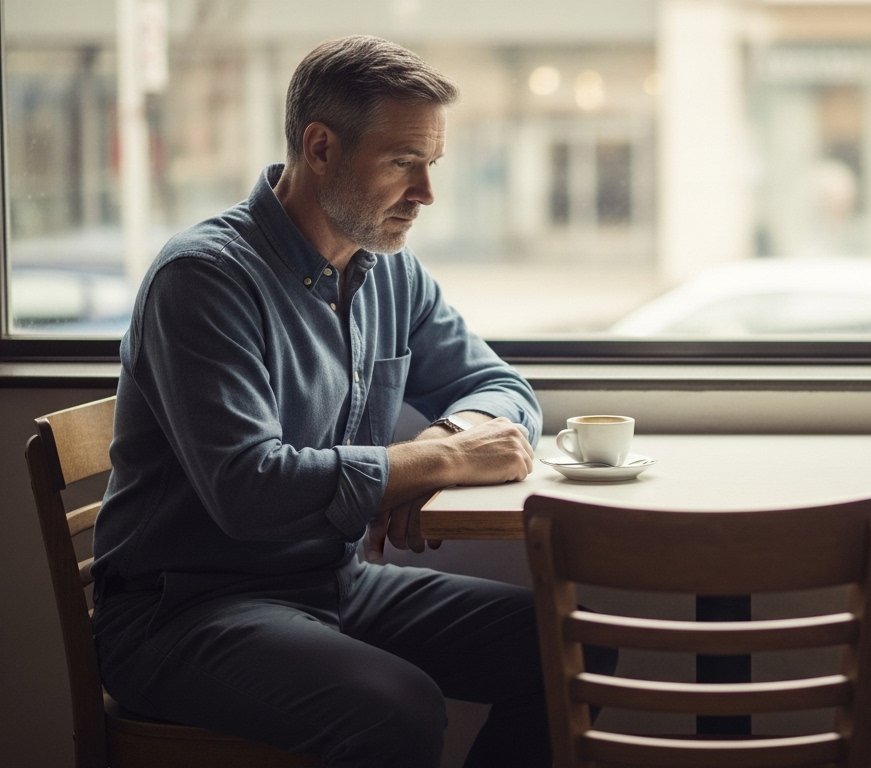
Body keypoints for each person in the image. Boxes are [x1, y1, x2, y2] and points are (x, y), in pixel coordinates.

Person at [91, 35, 602, 767]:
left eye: (431, 164)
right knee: (399, 709)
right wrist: (430, 463)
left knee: (569, 643)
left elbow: (502, 388)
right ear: (321, 148)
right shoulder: (202, 280)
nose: (426, 192)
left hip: (333, 582)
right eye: (403, 163)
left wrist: (447, 441)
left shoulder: (391, 273)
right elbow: (248, 491)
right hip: (183, 613)